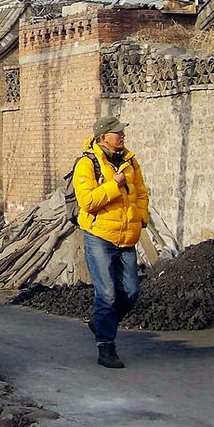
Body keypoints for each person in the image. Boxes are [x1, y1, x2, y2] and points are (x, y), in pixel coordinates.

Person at [73, 114, 150, 368]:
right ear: (103, 136)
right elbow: (88, 202)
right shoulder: (87, 164)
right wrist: (115, 186)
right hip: (100, 237)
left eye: (122, 132)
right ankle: (106, 347)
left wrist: (141, 217)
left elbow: (141, 192)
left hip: (127, 237)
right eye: (117, 133)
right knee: (106, 293)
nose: (122, 136)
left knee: (130, 291)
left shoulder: (130, 161)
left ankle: (100, 322)